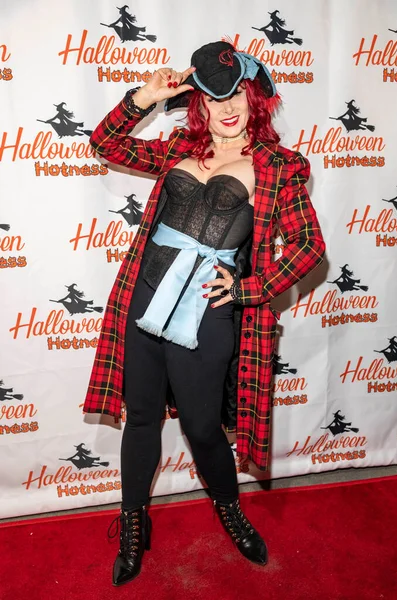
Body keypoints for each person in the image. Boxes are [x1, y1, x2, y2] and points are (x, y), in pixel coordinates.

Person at [83, 40, 326, 587]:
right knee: (140, 418)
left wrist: (248, 289)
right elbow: (105, 142)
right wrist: (143, 98)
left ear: (253, 98)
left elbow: (309, 246)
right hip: (144, 298)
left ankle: (230, 510)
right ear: (198, 104)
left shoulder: (279, 165)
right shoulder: (176, 148)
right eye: (214, 98)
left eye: (236, 93)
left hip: (207, 310)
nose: (227, 107)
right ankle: (133, 523)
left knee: (201, 426)